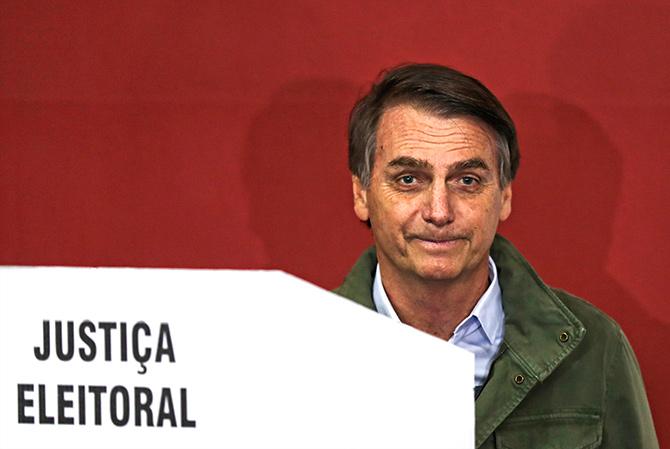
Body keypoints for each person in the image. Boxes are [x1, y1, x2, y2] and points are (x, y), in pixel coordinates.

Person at [334, 63, 658, 448]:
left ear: (504, 196)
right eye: (409, 179)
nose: (439, 211)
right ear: (361, 195)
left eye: (467, 181)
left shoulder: (596, 351)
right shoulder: (290, 359)